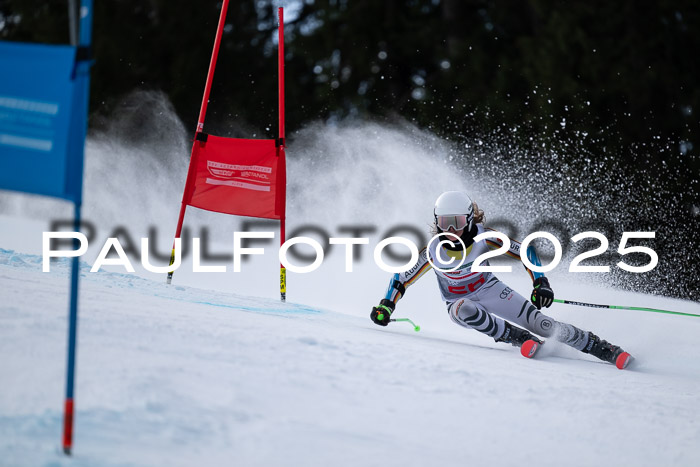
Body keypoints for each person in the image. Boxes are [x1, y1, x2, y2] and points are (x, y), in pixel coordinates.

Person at [370, 191, 632, 370]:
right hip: (457, 303)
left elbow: (526, 252)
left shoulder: (487, 238)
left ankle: (603, 348)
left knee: (543, 323)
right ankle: (517, 338)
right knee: (465, 309)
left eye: (457, 223)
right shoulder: (433, 251)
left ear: (470, 219)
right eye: (444, 223)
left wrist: (540, 283)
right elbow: (401, 279)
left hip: (491, 290)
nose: (450, 231)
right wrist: (386, 306)